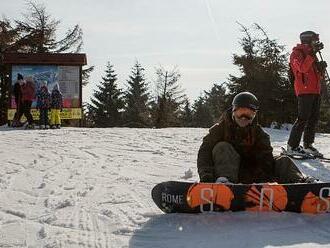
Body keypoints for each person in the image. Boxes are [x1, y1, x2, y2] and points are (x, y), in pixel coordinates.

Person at [197, 92, 315, 184]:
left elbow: (266, 159)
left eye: (248, 114)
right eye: (240, 112)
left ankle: (301, 185)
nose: (244, 117)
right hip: (226, 173)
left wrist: (264, 180)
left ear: (254, 115)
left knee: (283, 160)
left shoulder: (260, 134)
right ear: (233, 112)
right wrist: (206, 176)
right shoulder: (219, 129)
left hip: (251, 175)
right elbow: (204, 153)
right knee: (222, 147)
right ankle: (225, 185)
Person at [287, 31, 327, 157]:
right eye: (314, 40)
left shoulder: (312, 54)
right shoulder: (296, 53)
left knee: (313, 118)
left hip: (315, 90)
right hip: (304, 90)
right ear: (307, 40)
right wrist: (311, 54)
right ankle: (292, 146)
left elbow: (317, 76)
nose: (316, 43)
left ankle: (308, 145)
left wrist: (321, 69)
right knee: (302, 118)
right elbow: (302, 68)